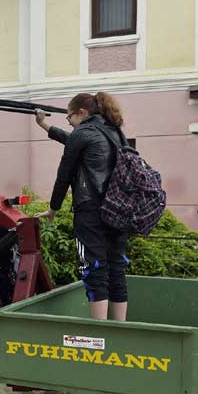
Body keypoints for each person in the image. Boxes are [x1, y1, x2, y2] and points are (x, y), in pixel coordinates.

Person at [34, 92, 129, 321]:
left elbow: (63, 175)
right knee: (116, 267)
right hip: (118, 210)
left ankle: (100, 331)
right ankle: (120, 329)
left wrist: (53, 208)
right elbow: (73, 139)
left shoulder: (83, 133)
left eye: (69, 118)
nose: (69, 122)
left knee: (94, 266)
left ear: (82, 113)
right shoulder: (114, 132)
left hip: (91, 211)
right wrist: (44, 124)